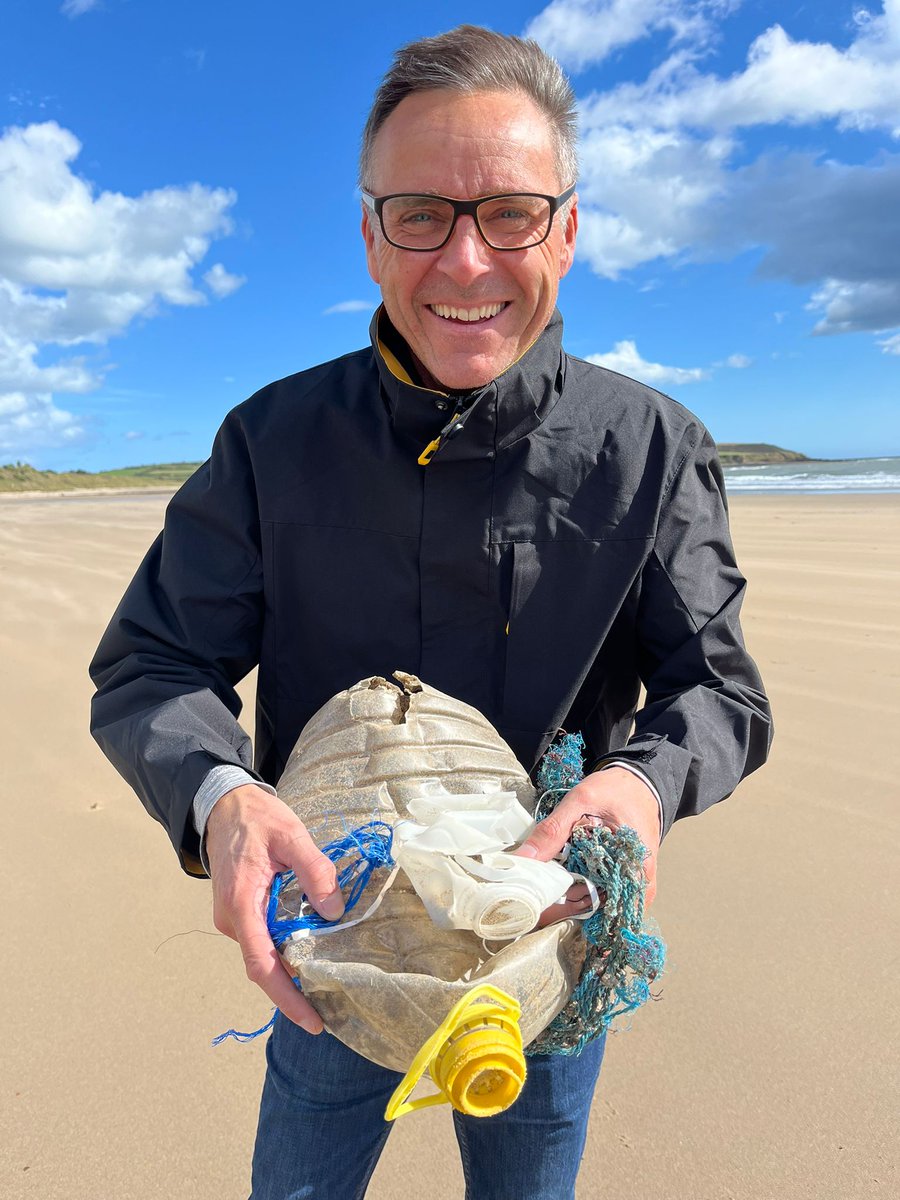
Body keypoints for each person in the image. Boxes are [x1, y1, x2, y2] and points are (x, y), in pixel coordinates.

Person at [90, 25, 772, 1200]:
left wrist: (642, 785)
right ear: (369, 235)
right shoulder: (271, 444)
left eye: (509, 212)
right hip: (336, 935)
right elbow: (153, 665)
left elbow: (719, 690)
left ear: (566, 228)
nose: (464, 262)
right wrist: (224, 795)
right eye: (421, 215)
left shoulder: (651, 449)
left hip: (544, 938)